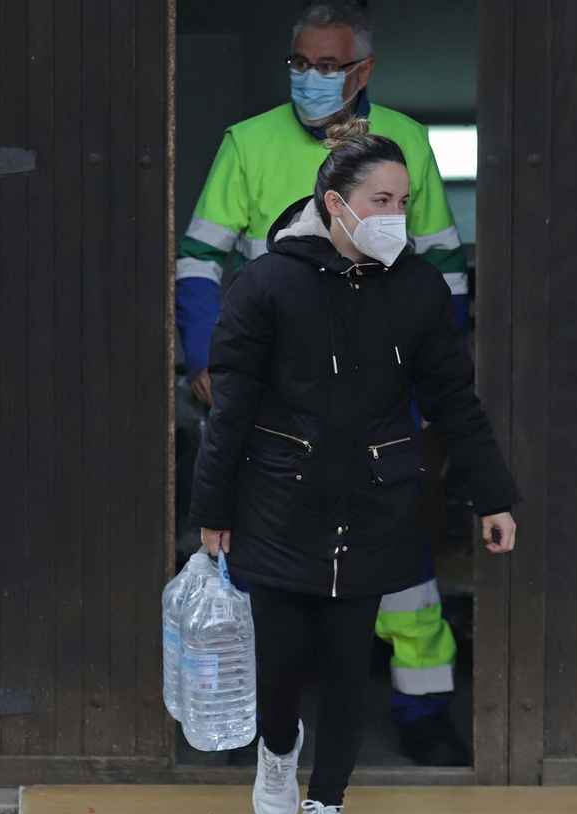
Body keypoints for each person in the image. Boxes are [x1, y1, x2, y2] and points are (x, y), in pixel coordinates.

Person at [189, 120, 520, 814]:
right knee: (281, 665)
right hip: (278, 497)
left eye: (403, 200)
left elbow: (454, 401)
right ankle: (279, 750)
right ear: (335, 203)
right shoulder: (267, 282)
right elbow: (233, 404)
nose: (395, 216)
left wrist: (492, 495)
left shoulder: (418, 290)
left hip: (374, 498)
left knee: (345, 662)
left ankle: (327, 803)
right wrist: (211, 508)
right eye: (380, 199)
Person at [177, 2, 475, 765]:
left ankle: (423, 709)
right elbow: (200, 262)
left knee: (401, 563)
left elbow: (442, 269)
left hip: (379, 389)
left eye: (328, 65)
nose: (311, 78)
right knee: (255, 562)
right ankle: (250, 723)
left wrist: (431, 379)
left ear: (363, 70)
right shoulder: (247, 141)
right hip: (275, 387)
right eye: (299, 64)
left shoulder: (405, 142)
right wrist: (211, 360)